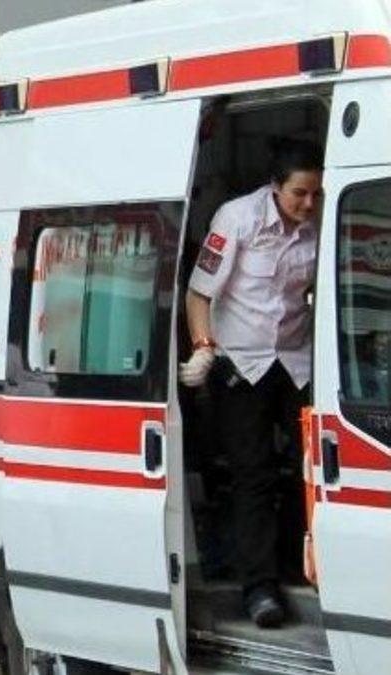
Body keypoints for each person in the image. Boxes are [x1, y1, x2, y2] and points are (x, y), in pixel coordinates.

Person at [179, 139, 323, 628]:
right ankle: (259, 587)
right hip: (242, 363)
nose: (308, 203)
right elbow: (198, 294)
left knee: (314, 468)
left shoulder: (319, 222)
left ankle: (307, 567)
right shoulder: (236, 219)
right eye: (299, 193)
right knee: (253, 474)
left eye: (315, 194)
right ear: (275, 187)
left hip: (295, 359)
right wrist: (203, 347)